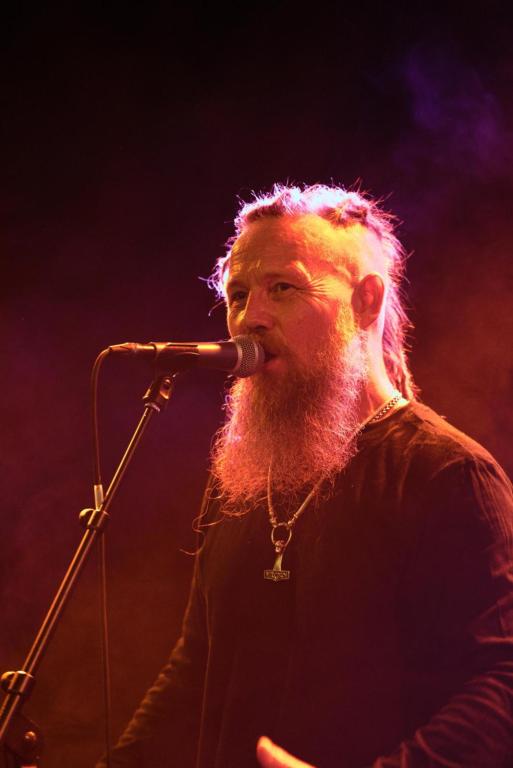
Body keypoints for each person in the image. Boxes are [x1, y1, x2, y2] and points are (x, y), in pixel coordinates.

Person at [98, 184, 513, 767]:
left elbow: (501, 683)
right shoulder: (244, 477)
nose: (249, 318)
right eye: (238, 294)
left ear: (366, 301)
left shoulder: (447, 475)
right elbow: (197, 669)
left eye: (283, 288)